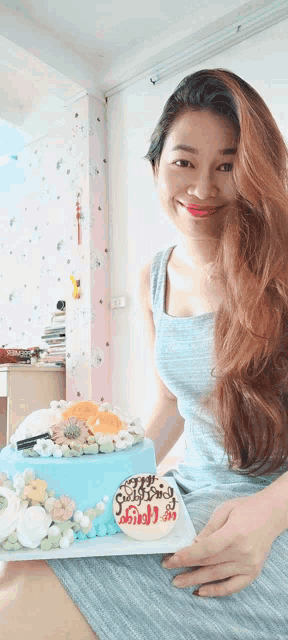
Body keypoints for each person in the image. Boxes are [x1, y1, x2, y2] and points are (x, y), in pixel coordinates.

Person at [1, 68, 288, 639]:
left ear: (254, 173)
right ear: (155, 166)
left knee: (27, 603)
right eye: (184, 162)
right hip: (184, 492)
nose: (203, 188)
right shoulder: (154, 276)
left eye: (227, 166)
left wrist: (270, 515)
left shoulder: (281, 270)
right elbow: (174, 407)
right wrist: (99, 479)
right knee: (23, 562)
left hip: (265, 510)